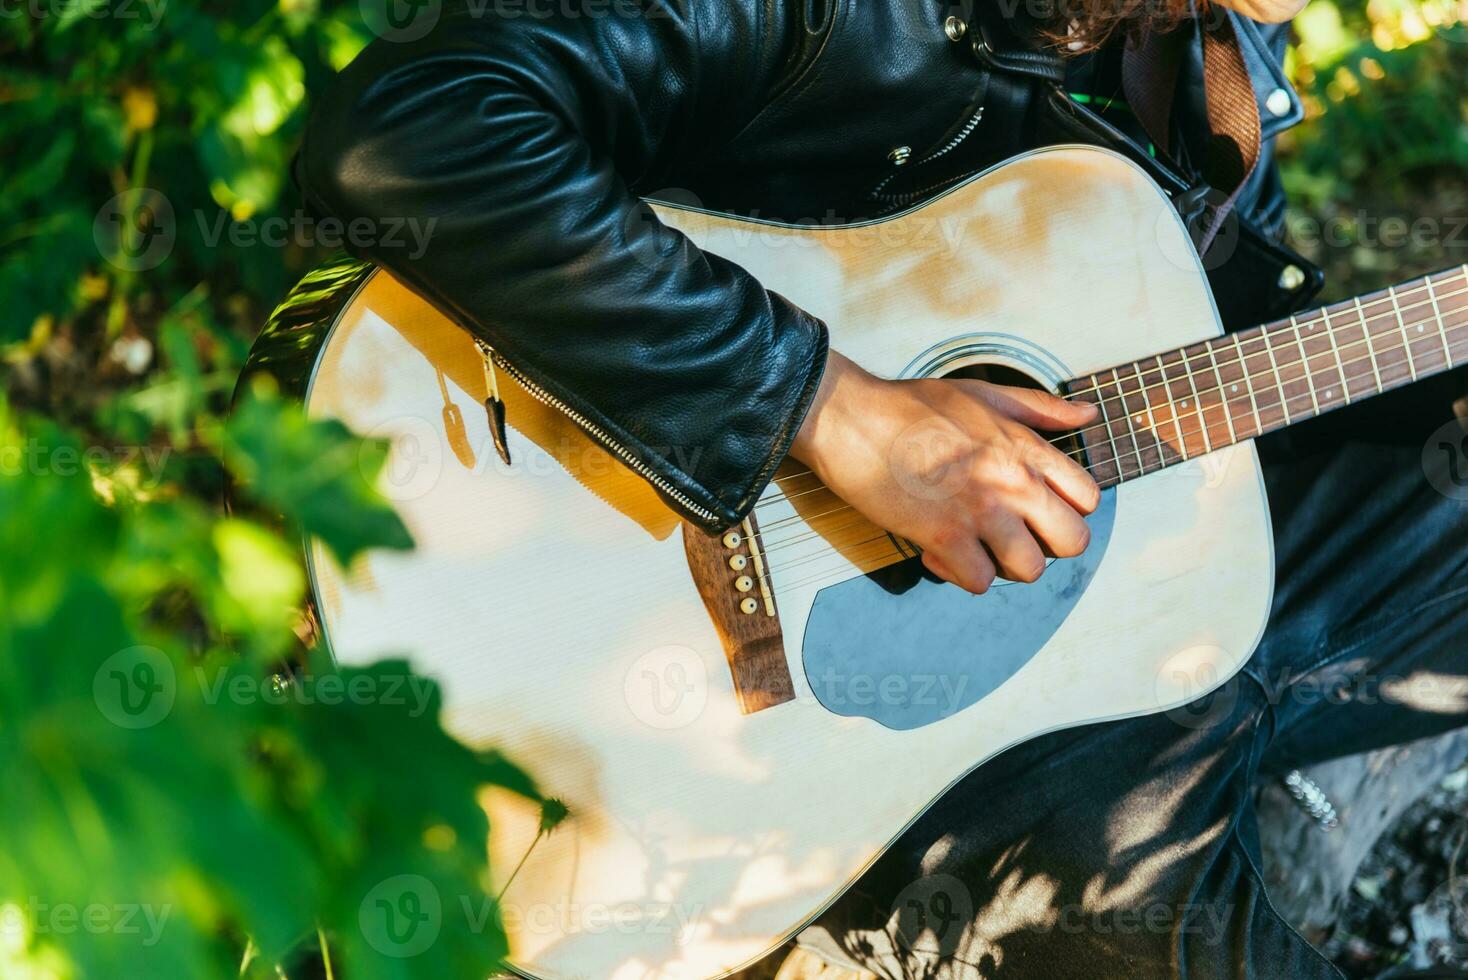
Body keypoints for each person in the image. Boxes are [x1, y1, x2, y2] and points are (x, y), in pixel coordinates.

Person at [299, 1, 1468, 974]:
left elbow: (1205, 338)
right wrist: (828, 406)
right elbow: (407, 132)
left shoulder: (1213, 44)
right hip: (788, 683)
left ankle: (1231, 746)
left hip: (1103, 606)